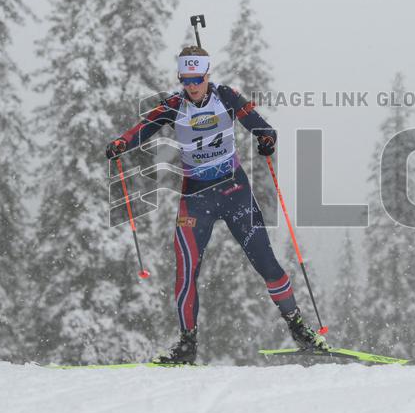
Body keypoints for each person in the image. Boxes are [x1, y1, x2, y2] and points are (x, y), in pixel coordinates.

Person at [107, 46, 327, 364]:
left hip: (234, 191)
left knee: (267, 263)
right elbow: (144, 128)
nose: (192, 85)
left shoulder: (226, 96)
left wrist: (266, 139)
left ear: (207, 75)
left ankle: (299, 328)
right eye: (186, 79)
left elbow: (261, 125)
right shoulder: (173, 105)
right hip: (196, 199)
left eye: (197, 78)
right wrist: (121, 144)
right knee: (185, 272)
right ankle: (186, 345)